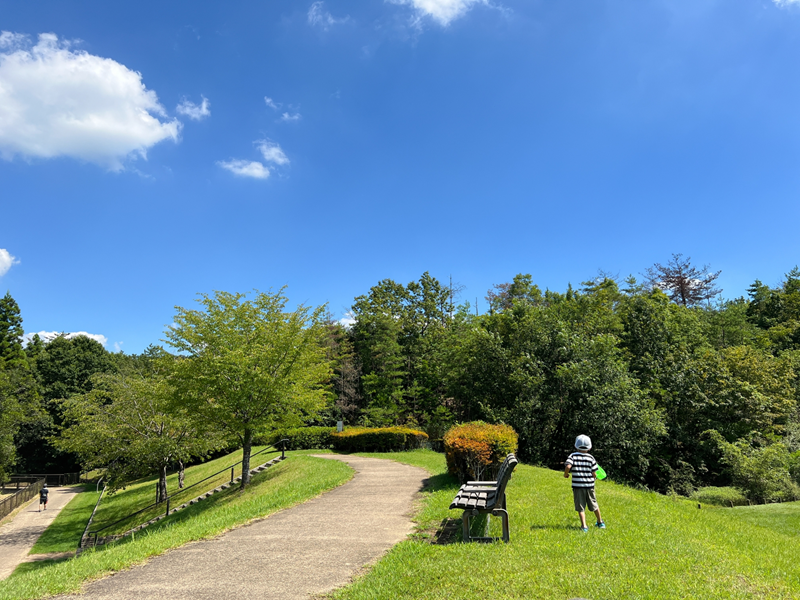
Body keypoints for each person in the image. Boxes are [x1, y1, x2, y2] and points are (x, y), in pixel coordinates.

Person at [564, 434, 605, 532]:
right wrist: (594, 478)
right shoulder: (591, 458)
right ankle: (600, 522)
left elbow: (568, 466)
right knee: (594, 504)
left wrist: (566, 474)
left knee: (580, 507)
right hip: (589, 486)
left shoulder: (572, 456)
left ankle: (584, 526)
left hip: (578, 486)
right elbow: (594, 473)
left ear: (575, 446)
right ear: (590, 447)